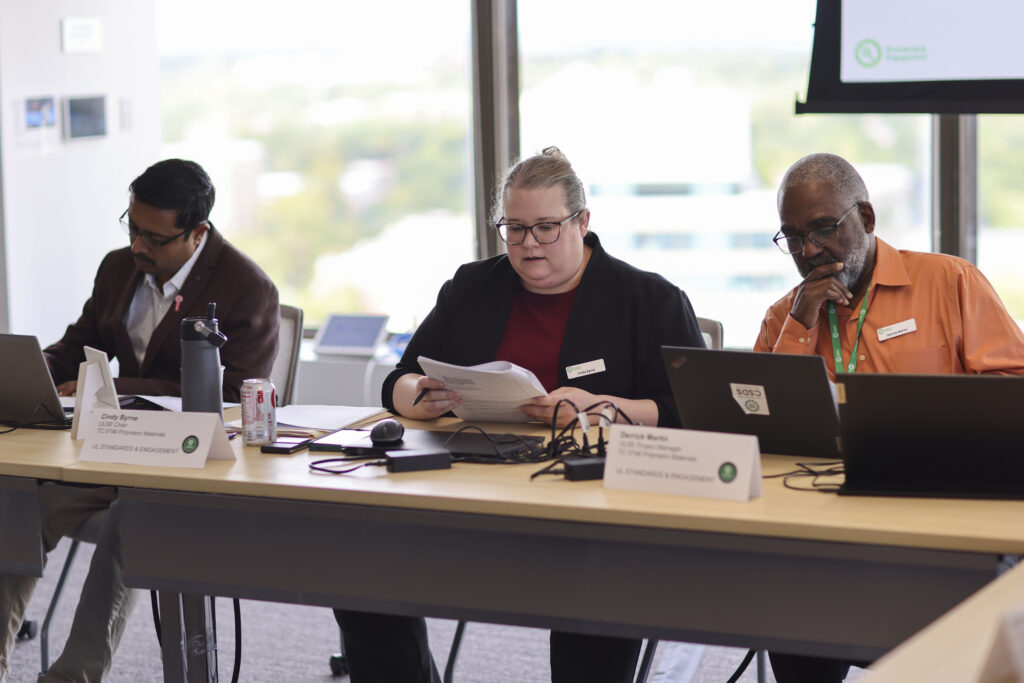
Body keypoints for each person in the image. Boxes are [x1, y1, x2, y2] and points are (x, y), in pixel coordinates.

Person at [334, 146, 706, 683]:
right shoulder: (471, 287)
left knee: (594, 600)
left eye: (546, 228)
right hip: (469, 487)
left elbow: (691, 414)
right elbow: (400, 378)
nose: (529, 244)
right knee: (359, 572)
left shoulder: (648, 300)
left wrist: (600, 408)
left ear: (582, 222)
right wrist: (417, 394)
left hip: (595, 508)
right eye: (514, 228)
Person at [0, 159, 280, 683]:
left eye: (154, 237)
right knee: (18, 506)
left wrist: (115, 388)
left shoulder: (247, 287)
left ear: (197, 233)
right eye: (131, 228)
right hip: (115, 450)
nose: (138, 246)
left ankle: (74, 674)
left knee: (137, 517)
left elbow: (226, 398)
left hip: (191, 463)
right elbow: (78, 346)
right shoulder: (117, 269)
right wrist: (27, 372)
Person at [755, 152, 1024, 682]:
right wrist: (801, 324)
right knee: (785, 606)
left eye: (823, 230)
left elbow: (1014, 386)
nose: (809, 252)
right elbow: (760, 421)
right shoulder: (784, 315)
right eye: (792, 237)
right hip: (821, 522)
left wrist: (932, 423)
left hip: (934, 516)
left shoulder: (950, 281)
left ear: (868, 219)